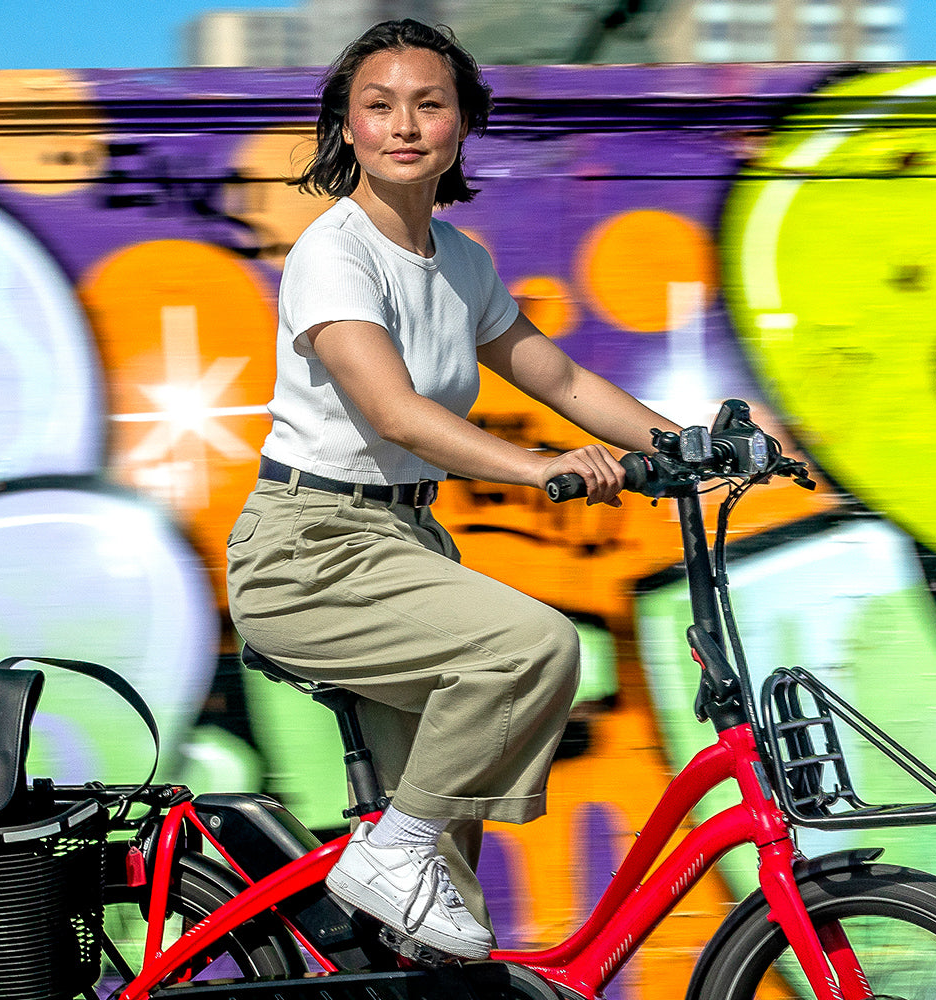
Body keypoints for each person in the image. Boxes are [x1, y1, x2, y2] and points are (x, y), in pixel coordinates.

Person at [224, 18, 680, 961]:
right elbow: (395, 413)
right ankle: (391, 851)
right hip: (309, 552)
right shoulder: (335, 254)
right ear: (345, 126)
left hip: (402, 546)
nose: (404, 125)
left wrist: (691, 445)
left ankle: (407, 901)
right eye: (378, 105)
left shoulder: (461, 261)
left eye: (429, 105)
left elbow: (562, 380)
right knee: (531, 646)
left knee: (445, 878)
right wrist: (538, 467)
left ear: (462, 123)